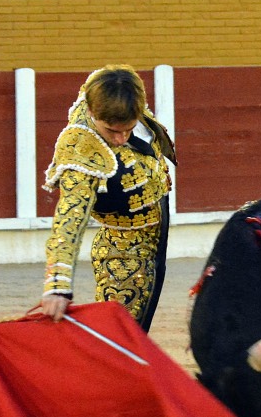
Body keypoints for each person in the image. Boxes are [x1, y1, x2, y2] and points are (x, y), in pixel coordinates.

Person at [40, 64, 177, 332]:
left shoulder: (119, 92)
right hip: (123, 251)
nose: (120, 138)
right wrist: (58, 284)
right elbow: (69, 219)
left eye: (127, 129)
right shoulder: (79, 149)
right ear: (91, 112)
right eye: (110, 130)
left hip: (156, 237)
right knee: (119, 339)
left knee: (136, 333)